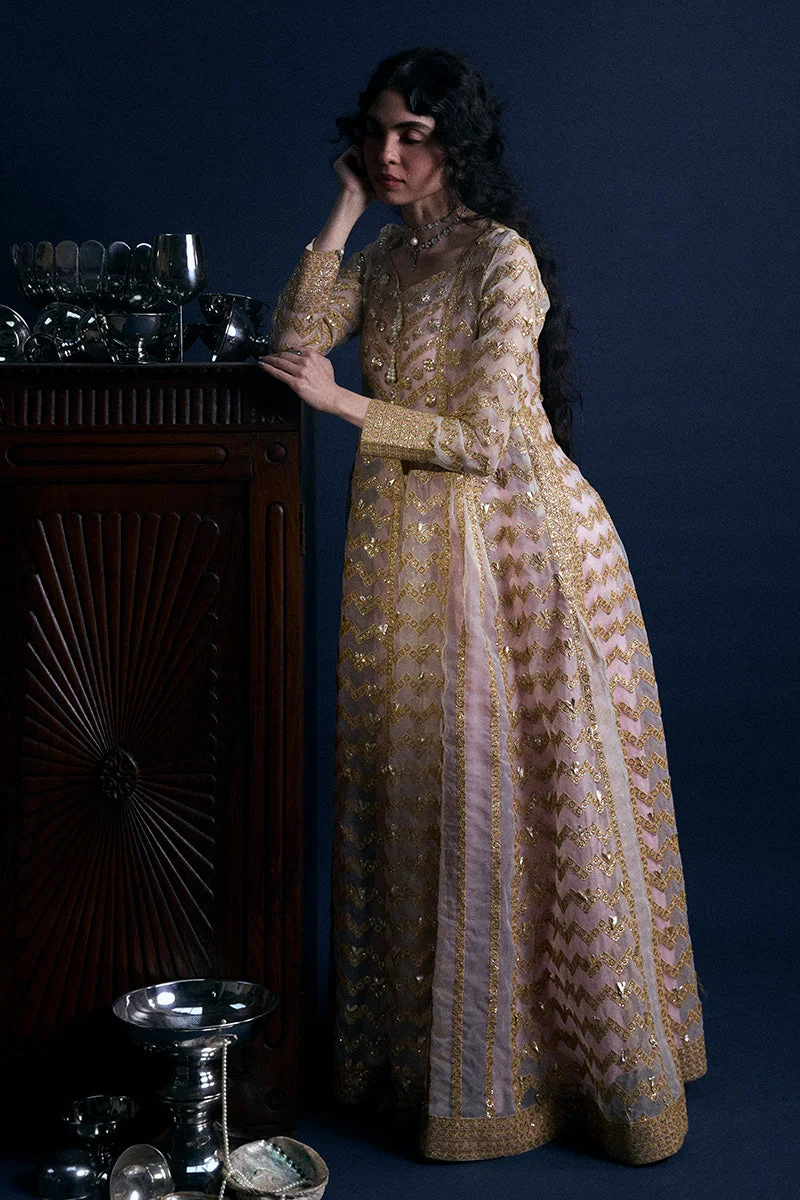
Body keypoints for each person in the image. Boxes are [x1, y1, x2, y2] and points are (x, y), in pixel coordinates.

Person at [259, 46, 707, 1167]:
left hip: (524, 556)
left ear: (456, 144)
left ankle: (569, 1077)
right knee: (425, 794)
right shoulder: (390, 257)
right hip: (414, 561)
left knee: (533, 800)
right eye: (376, 131)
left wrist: (345, 408)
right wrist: (344, 209)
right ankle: (436, 1060)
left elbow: (488, 439)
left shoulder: (500, 259)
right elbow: (295, 341)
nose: (390, 152)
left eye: (412, 136)